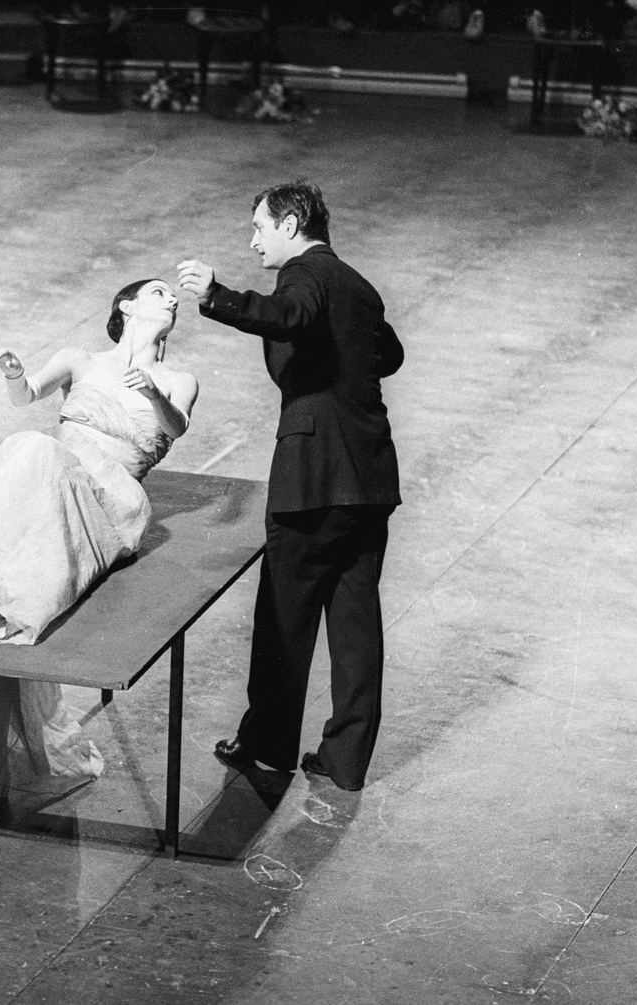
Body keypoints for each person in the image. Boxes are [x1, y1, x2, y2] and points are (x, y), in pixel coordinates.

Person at [0, 279, 200, 795]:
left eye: (173, 296)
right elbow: (26, 395)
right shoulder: (80, 359)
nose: (172, 299)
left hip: (112, 496)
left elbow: (177, 426)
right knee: (31, 446)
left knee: (34, 450)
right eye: (159, 291)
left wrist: (152, 394)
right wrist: (13, 373)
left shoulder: (177, 379)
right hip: (54, 476)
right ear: (126, 305)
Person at [177, 180, 402, 792]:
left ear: (293, 223)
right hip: (370, 478)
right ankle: (345, 760)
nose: (253, 243)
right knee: (355, 623)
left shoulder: (305, 277)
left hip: (312, 479)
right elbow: (390, 355)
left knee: (284, 617)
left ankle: (270, 746)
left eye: (259, 229)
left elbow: (291, 313)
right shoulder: (359, 286)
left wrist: (218, 296)